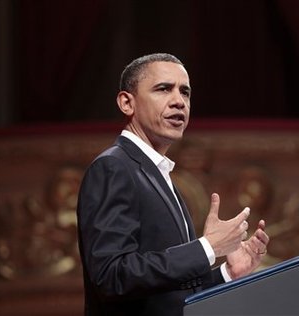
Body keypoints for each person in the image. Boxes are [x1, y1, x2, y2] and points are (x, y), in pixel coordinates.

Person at [76, 53, 270, 316]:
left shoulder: (159, 175)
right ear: (126, 103)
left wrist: (227, 273)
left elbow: (169, 297)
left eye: (185, 92)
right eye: (163, 89)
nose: (179, 101)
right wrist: (207, 248)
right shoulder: (114, 168)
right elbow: (112, 276)